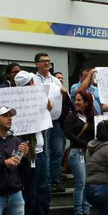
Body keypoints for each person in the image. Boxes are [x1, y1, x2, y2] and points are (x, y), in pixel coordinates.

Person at [13, 71, 61, 215]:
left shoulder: (38, 100)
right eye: (30, 84)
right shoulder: (17, 105)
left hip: (41, 153)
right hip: (28, 155)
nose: (34, 86)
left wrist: (46, 108)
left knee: (43, 193)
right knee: (30, 195)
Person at [33, 52, 68, 193]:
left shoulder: (55, 80)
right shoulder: (33, 79)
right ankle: (46, 181)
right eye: (43, 61)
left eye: (48, 61)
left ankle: (55, 179)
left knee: (58, 150)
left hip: (56, 119)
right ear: (36, 64)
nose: (46, 63)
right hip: (42, 120)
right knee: (46, 151)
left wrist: (64, 94)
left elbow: (62, 100)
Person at [64, 91, 96, 215]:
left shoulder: (92, 118)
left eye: (79, 100)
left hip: (88, 153)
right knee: (81, 182)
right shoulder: (71, 117)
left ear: (86, 103)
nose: (76, 102)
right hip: (76, 152)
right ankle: (78, 211)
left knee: (88, 182)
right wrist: (85, 144)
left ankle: (87, 211)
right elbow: (68, 134)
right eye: (75, 100)